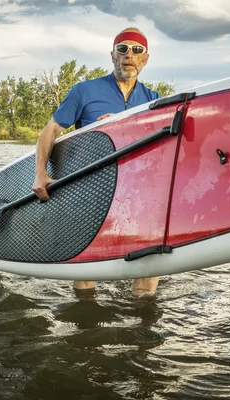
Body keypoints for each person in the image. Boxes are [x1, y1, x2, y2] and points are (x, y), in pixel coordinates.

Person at [32, 27, 161, 297]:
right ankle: (85, 322)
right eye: (122, 49)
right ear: (112, 55)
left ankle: (142, 325)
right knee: (87, 274)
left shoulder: (153, 101)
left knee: (149, 268)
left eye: (136, 50)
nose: (129, 55)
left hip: (135, 198)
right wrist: (41, 174)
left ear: (145, 59)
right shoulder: (85, 91)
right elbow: (50, 131)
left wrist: (123, 126)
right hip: (91, 194)